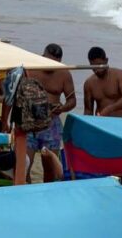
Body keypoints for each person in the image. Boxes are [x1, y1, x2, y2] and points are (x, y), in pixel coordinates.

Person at [21, 44, 76, 181]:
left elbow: (72, 101)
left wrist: (62, 108)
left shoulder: (64, 74)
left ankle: (48, 192)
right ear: (43, 56)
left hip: (51, 126)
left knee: (50, 167)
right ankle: (27, 190)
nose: (51, 66)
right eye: (49, 62)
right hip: (31, 123)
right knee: (25, 164)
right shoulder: (30, 70)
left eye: (55, 63)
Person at [83, 47, 122, 117]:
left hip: (121, 121)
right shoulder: (88, 83)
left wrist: (109, 109)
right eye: (93, 66)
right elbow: (88, 110)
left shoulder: (119, 75)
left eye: (99, 65)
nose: (97, 70)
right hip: (100, 123)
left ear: (106, 61)